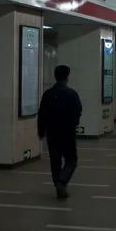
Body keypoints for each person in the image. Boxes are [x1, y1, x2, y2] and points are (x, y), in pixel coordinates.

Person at [37, 65, 82, 199]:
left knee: (55, 161)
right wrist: (74, 125)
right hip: (68, 134)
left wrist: (41, 131)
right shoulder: (72, 94)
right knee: (71, 159)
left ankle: (58, 184)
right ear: (67, 78)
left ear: (55, 77)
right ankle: (62, 181)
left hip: (52, 134)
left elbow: (42, 114)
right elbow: (78, 111)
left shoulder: (48, 94)